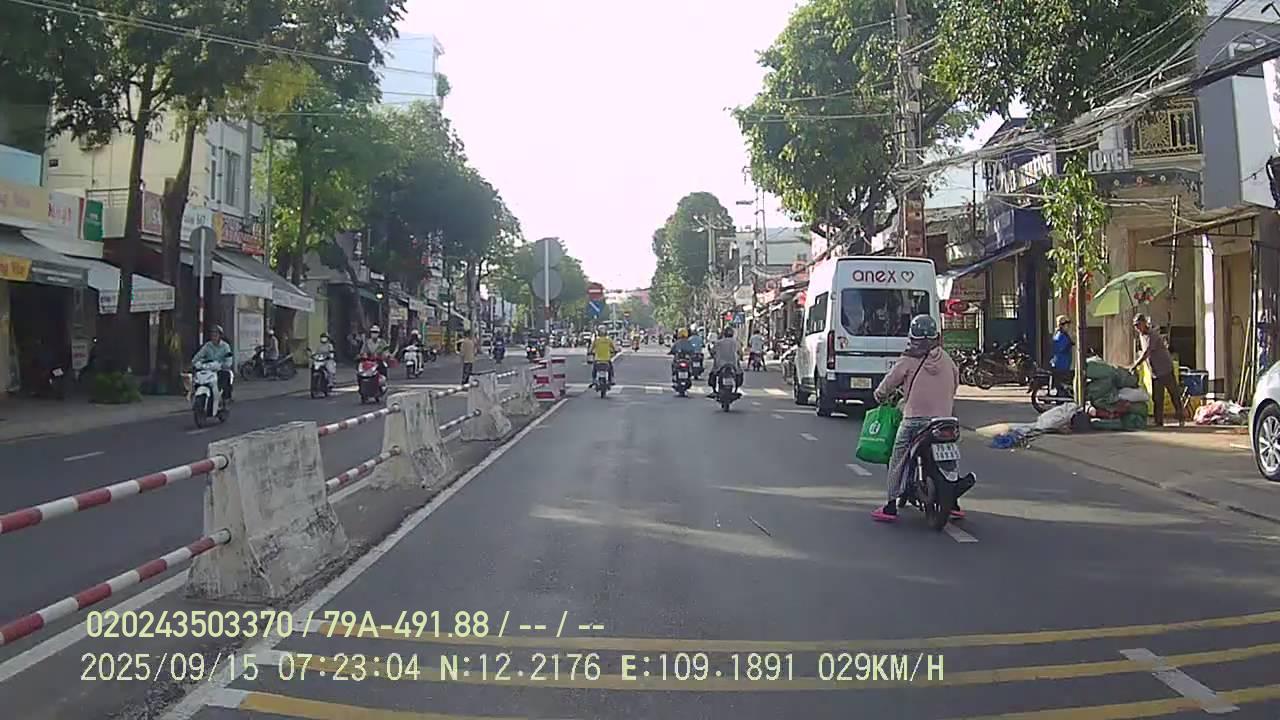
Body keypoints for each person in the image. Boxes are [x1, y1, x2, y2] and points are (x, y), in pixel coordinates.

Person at [871, 314, 961, 522]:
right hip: (944, 420)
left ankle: (891, 505)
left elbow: (888, 384)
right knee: (951, 458)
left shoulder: (908, 359)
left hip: (915, 420)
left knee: (898, 457)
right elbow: (955, 384)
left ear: (912, 337)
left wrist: (879, 396)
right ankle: (954, 502)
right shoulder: (947, 359)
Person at [1131, 313, 1183, 427]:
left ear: (1144, 323)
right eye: (1135, 326)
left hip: (1165, 368)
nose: (1137, 328)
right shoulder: (1141, 335)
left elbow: (1146, 352)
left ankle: (1180, 417)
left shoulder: (1152, 335)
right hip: (1155, 371)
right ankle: (1158, 421)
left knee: (1173, 393)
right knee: (1157, 397)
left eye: (1138, 325)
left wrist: (1135, 365)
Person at [192, 324, 235, 402]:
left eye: (216, 334)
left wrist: (225, 365)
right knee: (198, 378)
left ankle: (224, 397)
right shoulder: (207, 346)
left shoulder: (225, 346)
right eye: (212, 334)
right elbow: (198, 355)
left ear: (220, 336)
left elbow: (229, 359)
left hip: (220, 369)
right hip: (209, 369)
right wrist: (194, 362)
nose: (214, 336)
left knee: (225, 376)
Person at [708, 325, 743, 397]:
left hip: (720, 365)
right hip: (733, 365)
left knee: (712, 374)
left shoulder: (718, 342)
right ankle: (736, 389)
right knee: (739, 374)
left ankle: (714, 390)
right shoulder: (736, 343)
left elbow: (712, 351)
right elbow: (740, 353)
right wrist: (740, 357)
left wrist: (712, 355)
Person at [1050, 315, 1074, 391]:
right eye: (1067, 324)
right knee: (1063, 383)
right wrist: (1069, 344)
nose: (1068, 326)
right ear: (1062, 325)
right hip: (1061, 364)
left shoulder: (1061, 335)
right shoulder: (1061, 336)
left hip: (1062, 363)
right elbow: (1060, 348)